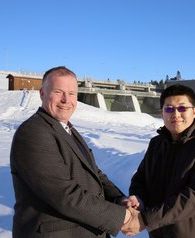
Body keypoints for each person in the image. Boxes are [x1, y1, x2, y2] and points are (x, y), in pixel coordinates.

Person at [10, 66, 141, 238]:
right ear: (42, 93)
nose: (66, 100)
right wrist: (122, 217)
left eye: (72, 93)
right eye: (58, 92)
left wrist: (119, 199)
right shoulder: (33, 133)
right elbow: (64, 195)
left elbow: (93, 172)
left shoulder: (66, 128)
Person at [126, 84, 195, 238]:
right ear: (162, 113)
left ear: (194, 111)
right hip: (158, 231)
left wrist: (146, 220)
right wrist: (137, 197)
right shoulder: (156, 144)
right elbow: (140, 179)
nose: (176, 114)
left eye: (182, 108)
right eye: (169, 109)